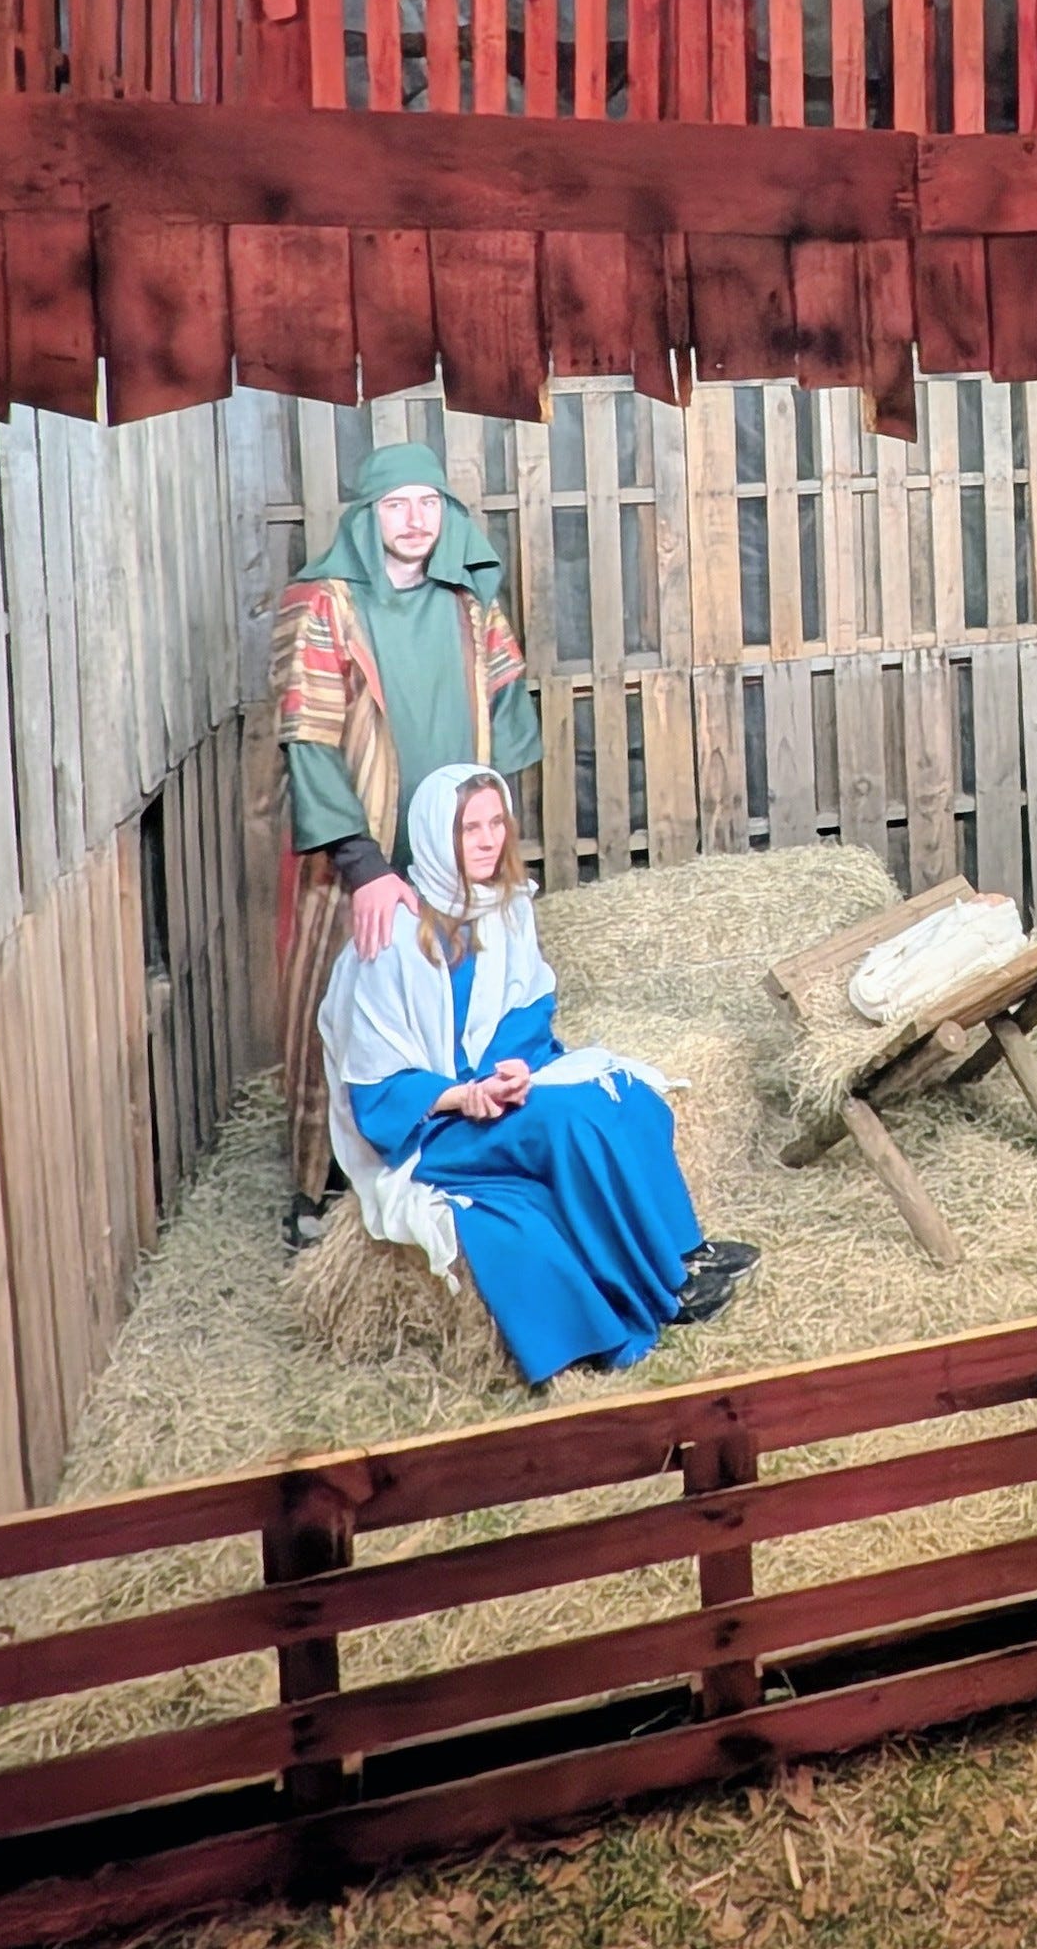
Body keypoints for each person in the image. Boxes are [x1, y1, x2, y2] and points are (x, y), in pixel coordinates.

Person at [320, 763, 760, 1378]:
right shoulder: (391, 941)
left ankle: (686, 1250)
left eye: (495, 823)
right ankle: (663, 1288)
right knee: (571, 1124)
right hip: (434, 1126)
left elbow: (528, 1008)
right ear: (435, 837)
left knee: (628, 1095)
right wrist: (464, 1095)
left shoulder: (506, 907)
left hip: (502, 1086)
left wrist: (513, 1070)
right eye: (469, 828)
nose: (487, 841)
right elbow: (375, 1085)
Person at [272, 442, 546, 1232]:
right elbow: (308, 737)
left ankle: (458, 1159)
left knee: (465, 1000)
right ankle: (322, 1192)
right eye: (397, 505)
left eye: (429, 503)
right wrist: (363, 868)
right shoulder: (325, 603)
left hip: (455, 856)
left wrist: (483, 832)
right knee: (343, 1011)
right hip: (362, 859)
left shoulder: (469, 600)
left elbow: (504, 707)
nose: (415, 520)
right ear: (368, 517)